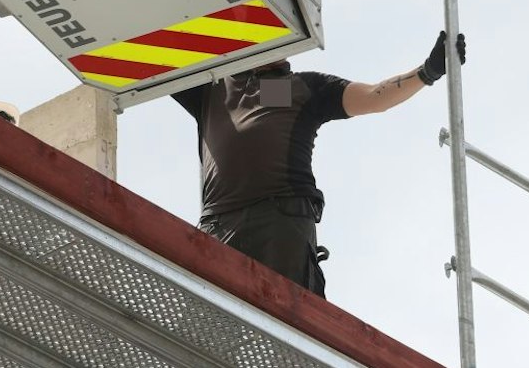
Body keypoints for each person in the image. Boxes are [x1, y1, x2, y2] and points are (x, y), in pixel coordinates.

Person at [173, 31, 469, 297]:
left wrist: (427, 71)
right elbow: (159, 59)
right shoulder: (215, 88)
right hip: (220, 225)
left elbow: (373, 96)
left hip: (279, 223)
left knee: (284, 316)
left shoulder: (296, 89)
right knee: (211, 314)